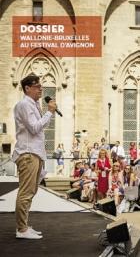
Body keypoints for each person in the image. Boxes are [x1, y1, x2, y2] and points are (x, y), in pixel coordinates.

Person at [12, 74, 56, 240]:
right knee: (26, 192)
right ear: (27, 88)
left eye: (40, 86)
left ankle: (23, 225)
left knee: (31, 191)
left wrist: (47, 114)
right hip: (28, 153)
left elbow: (40, 128)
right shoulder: (24, 105)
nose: (41, 89)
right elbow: (34, 128)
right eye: (37, 86)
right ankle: (21, 229)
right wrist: (49, 113)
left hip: (35, 153)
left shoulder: (34, 105)